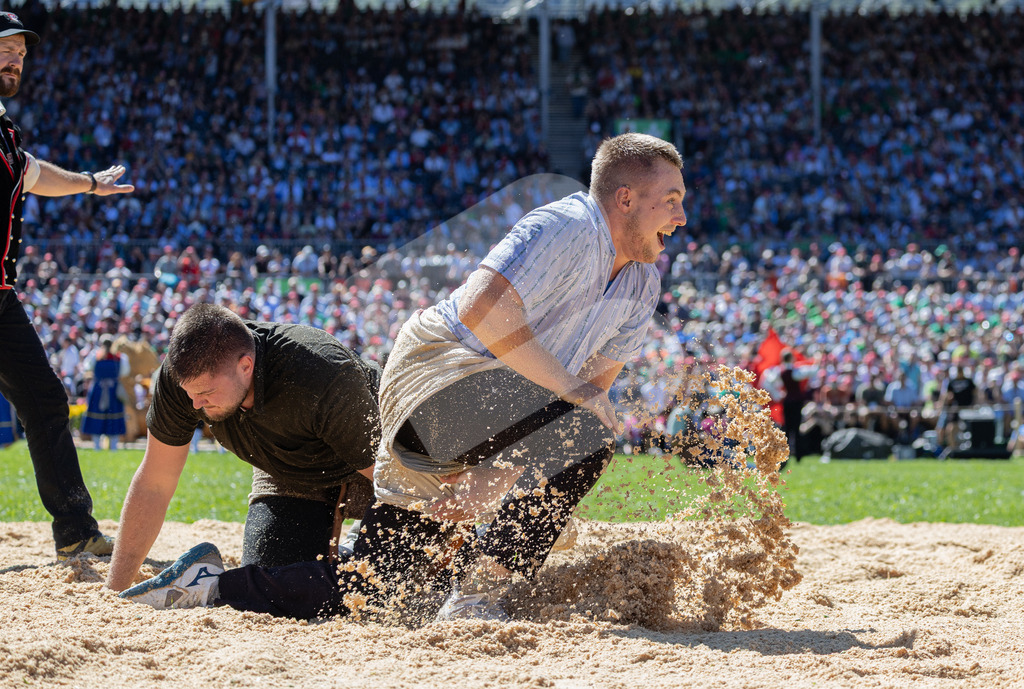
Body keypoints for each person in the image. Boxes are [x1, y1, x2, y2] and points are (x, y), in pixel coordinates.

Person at [119, 132, 687, 621]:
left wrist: (498, 477)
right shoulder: (569, 224)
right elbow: (484, 315)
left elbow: (585, 397)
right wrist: (491, 476)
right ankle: (480, 593)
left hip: (495, 416)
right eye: (671, 199)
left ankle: (209, 588)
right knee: (587, 422)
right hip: (437, 380)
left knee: (383, 588)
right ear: (626, 197)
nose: (681, 217)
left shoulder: (643, 284)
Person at [105, 303, 382, 593]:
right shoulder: (182, 382)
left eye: (206, 393)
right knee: (272, 585)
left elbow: (397, 482)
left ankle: (356, 544)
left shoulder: (319, 373)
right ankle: (346, 554)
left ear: (246, 366)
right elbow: (154, 483)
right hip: (287, 471)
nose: (196, 404)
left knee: (381, 584)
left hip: (374, 467)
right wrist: (113, 591)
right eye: (190, 394)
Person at [0, 11, 134, 560]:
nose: (15, 60)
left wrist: (87, 185)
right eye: (5, 49)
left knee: (46, 400)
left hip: (0, 300)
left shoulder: (5, 133)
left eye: (21, 54)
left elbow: (34, 173)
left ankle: (75, 531)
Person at [80, 335, 130, 450]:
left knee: (96, 416)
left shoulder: (95, 356)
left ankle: (97, 447)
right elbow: (125, 372)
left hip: (98, 389)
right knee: (113, 417)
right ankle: (113, 448)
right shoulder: (120, 357)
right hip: (113, 389)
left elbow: (87, 367)